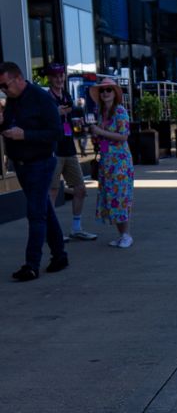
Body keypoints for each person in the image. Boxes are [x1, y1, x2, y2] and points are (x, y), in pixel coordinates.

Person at [0, 60, 68, 281]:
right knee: (43, 210)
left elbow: (56, 133)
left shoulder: (41, 98)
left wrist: (25, 135)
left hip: (40, 163)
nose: (3, 90)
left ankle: (32, 264)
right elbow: (9, 125)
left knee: (36, 213)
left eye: (5, 85)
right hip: (21, 164)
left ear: (18, 79)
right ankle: (59, 254)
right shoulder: (12, 100)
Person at [45, 62, 97, 242]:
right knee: (52, 191)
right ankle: (50, 232)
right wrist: (55, 113)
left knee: (80, 189)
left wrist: (75, 122)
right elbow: (41, 122)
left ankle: (76, 228)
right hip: (53, 150)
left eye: (61, 76)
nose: (59, 79)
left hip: (68, 148)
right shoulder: (47, 98)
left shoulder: (66, 95)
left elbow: (67, 119)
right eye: (55, 76)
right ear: (50, 78)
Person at [89, 78, 134, 248]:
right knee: (111, 197)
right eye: (102, 90)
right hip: (107, 160)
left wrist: (100, 131)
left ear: (114, 93)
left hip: (119, 162)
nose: (105, 93)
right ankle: (122, 234)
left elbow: (123, 136)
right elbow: (105, 136)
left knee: (120, 197)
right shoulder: (101, 113)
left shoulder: (119, 111)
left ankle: (126, 234)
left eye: (108, 90)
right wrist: (96, 135)